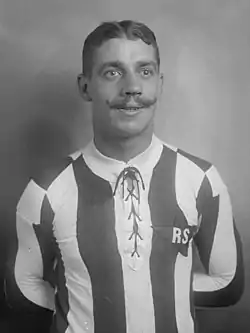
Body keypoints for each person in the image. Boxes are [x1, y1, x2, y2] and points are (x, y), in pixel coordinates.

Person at [5, 20, 244, 333]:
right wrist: (82, 299)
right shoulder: (47, 189)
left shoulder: (201, 180)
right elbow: (21, 287)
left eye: (144, 71)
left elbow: (228, 283)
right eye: (112, 72)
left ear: (159, 82)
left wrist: (150, 295)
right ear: (85, 86)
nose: (132, 87)